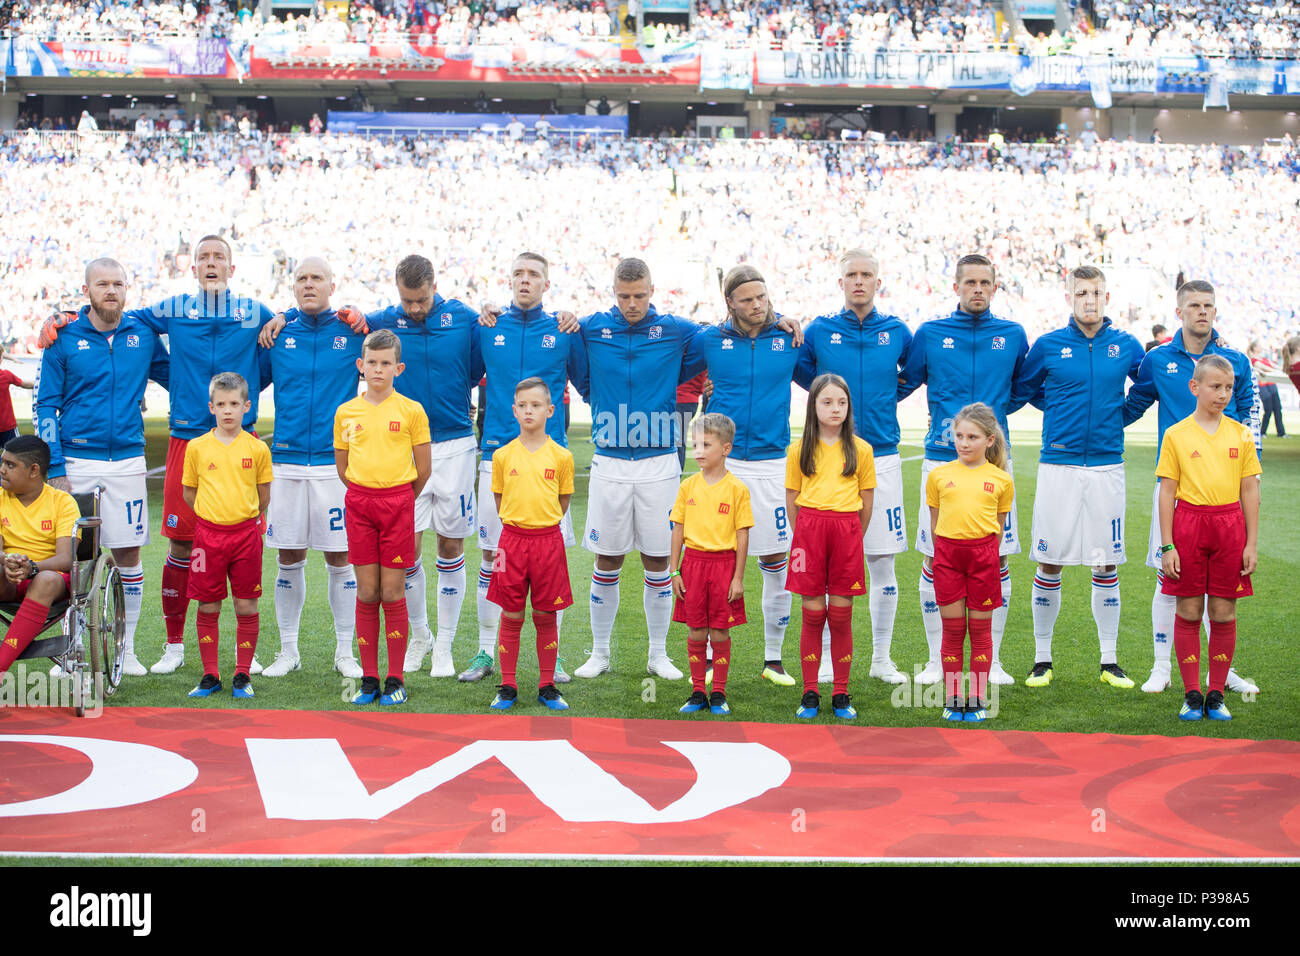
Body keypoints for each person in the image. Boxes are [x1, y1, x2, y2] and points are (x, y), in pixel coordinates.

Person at [36, 235, 297, 677]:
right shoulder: (170, 310)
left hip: (239, 444)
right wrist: (65, 317)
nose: (211, 264)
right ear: (192, 268)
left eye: (219, 258)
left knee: (241, 541)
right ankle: (172, 644)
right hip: (184, 441)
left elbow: (280, 342)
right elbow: (120, 320)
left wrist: (284, 315)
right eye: (203, 257)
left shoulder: (256, 314)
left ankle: (257, 652)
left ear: (232, 269)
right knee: (179, 543)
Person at [571, 258, 706, 682]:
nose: (632, 303)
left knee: (659, 560)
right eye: (624, 296)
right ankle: (600, 653)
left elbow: (721, 340)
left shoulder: (678, 330)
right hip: (610, 459)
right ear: (613, 291)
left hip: (660, 461)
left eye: (640, 295)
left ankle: (658, 654)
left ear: (653, 289)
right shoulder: (591, 327)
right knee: (606, 559)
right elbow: (580, 376)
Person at [1122, 279, 1259, 696]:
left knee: (1221, 588)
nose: (1203, 311)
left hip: (1227, 490)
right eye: (1195, 305)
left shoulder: (1235, 360)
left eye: (1209, 305)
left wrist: (1251, 471)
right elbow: (1133, 406)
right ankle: (1163, 666)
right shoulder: (1158, 359)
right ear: (1180, 311)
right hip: (1178, 490)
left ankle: (1221, 672)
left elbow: (1249, 410)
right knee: (1170, 579)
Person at [1011, 265, 1145, 689]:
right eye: (1082, 292)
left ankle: (1109, 661)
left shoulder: (1126, 346)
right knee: (1050, 560)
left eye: (1097, 292)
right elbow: (1024, 389)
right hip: (1059, 465)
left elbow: (1144, 388)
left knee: (1105, 561)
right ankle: (1041, 659)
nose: (1090, 299)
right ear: (1069, 297)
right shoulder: (1050, 345)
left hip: (1107, 466)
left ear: (1108, 297)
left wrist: (1115, 418)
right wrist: (1060, 416)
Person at [898, 253, 1029, 687]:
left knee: (999, 556)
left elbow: (1024, 388)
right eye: (969, 282)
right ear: (956, 286)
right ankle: (939, 658)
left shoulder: (1012, 335)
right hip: (941, 459)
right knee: (936, 555)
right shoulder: (931, 333)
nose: (977, 289)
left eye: (984, 283)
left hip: (994, 465)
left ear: (995, 287)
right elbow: (902, 382)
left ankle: (991, 662)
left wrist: (988, 430)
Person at [35, 258, 169, 677]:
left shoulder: (143, 334)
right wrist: (54, 463)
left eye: (118, 284)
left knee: (128, 553)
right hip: (76, 460)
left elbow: (178, 378)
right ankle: (71, 649)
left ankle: (125, 650)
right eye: (102, 284)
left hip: (127, 459)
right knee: (76, 557)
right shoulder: (63, 336)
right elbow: (45, 405)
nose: (111, 291)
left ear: (126, 289)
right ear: (87, 290)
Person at [795, 249, 913, 687]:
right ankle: (825, 659)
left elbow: (913, 374)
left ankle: (881, 657)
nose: (859, 281)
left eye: (866, 274)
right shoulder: (821, 331)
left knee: (882, 560)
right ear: (840, 282)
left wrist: (882, 403)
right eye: (851, 275)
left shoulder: (898, 331)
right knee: (825, 570)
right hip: (828, 458)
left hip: (881, 455)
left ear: (877, 282)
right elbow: (806, 376)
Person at [469, 253, 587, 685]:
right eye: (518, 273)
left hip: (549, 463)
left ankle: (549, 660)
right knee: (492, 556)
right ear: (509, 279)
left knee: (550, 560)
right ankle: (486, 650)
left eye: (533, 274)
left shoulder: (564, 330)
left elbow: (588, 383)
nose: (524, 280)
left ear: (546, 284)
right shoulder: (487, 326)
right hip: (497, 455)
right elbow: (462, 373)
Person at [683, 265, 801, 687]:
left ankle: (774, 659)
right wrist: (699, 397)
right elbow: (674, 367)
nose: (757, 305)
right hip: (723, 466)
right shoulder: (709, 339)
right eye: (747, 299)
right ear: (729, 301)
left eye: (762, 297)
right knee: (714, 564)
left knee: (775, 561)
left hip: (771, 463)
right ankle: (714, 658)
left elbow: (821, 379)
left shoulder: (789, 338)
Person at [257, 257, 365, 679]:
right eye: (301, 278)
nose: (308, 284)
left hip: (333, 465)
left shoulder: (353, 331)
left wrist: (363, 318)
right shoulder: (278, 334)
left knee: (341, 557)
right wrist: (278, 318)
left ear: (332, 284)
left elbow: (388, 343)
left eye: (316, 278)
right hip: (285, 462)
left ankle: (344, 652)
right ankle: (288, 651)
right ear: (292, 286)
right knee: (288, 555)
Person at [1155, 355, 1260, 722]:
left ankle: (1216, 693)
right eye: (1215, 387)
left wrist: (1251, 542)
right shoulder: (1177, 434)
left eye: (1229, 388)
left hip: (1229, 526)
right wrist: (1167, 545)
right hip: (1189, 525)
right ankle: (1192, 694)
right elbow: (1166, 492)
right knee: (1188, 610)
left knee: (1223, 611)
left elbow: (1250, 490)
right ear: (1194, 387)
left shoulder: (1241, 434)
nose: (1223, 394)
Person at [334, 329, 432, 707]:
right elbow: (344, 467)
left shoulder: (411, 410)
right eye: (371, 362)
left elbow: (422, 469)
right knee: (367, 591)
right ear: (361, 366)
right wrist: (366, 493)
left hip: (397, 504)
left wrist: (399, 500)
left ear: (398, 368)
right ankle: (370, 678)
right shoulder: (347, 412)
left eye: (386, 363)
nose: (378, 369)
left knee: (392, 592)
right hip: (360, 504)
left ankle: (395, 677)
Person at [785, 373, 875, 722]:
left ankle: (840, 692)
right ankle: (810, 691)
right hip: (808, 531)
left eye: (841, 402)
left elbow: (867, 500)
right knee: (812, 614)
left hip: (846, 531)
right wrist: (803, 534)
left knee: (840, 614)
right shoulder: (799, 449)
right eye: (827, 402)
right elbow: (792, 498)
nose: (835, 408)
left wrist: (853, 534)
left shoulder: (861, 449)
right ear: (813, 407)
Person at [180, 373, 272, 700]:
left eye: (234, 404)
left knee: (246, 605)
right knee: (208, 604)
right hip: (208, 537)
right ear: (211, 407)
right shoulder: (197, 447)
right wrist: (212, 516)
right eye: (221, 404)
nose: (228, 410)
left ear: (247, 406)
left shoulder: (258, 448)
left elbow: (264, 496)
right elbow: (190, 492)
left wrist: (240, 516)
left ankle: (242, 674)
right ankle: (210, 675)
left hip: (246, 534)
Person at [485, 377, 574, 712]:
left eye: (535, 405)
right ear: (514, 410)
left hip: (548, 541)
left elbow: (563, 501)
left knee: (546, 612)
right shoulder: (503, 455)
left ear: (551, 410)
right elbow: (499, 498)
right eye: (522, 405)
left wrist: (541, 523)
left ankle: (547, 685)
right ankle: (507, 684)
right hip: (511, 543)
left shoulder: (562, 456)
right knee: (510, 612)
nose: (528, 411)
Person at [925, 402, 1014, 723]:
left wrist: (982, 552)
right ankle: (952, 697)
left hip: (983, 558)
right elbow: (936, 524)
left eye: (972, 437)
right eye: (959, 436)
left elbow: (999, 526)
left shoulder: (1001, 480)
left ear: (990, 440)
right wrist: (947, 553)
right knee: (952, 630)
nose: (964, 443)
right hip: (948, 557)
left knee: (979, 631)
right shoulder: (939, 475)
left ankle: (975, 697)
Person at [670, 412, 753, 716]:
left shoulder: (737, 489)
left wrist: (738, 578)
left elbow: (742, 534)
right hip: (692, 565)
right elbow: (677, 529)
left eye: (705, 445)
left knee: (719, 631)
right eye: (695, 445)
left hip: (723, 566)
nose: (699, 452)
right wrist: (675, 570)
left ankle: (718, 692)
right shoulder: (687, 486)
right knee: (695, 630)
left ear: (726, 449)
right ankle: (697, 691)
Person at [0, 437, 77, 680]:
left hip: (49, 578)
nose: (2, 469)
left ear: (34, 470)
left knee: (44, 579)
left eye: (10, 465)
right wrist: (6, 561)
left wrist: (32, 568)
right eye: (2, 462)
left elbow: (66, 558)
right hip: (8, 575)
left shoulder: (62, 502)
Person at [1248, 341, 1286, 438]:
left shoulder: (1263, 358)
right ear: (1255, 348)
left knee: (1278, 409)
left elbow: (1274, 366)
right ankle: (1262, 432)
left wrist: (1284, 369)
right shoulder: (1253, 360)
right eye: (1259, 346)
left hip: (1272, 384)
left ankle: (1281, 433)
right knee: (1268, 409)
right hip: (1263, 385)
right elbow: (1266, 368)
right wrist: (1278, 371)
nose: (1261, 347)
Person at [0, 364, 34, 446]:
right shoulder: (6, 375)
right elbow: (26, 384)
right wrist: (42, 384)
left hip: (7, 426)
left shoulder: (6, 375)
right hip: (7, 426)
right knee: (16, 453)